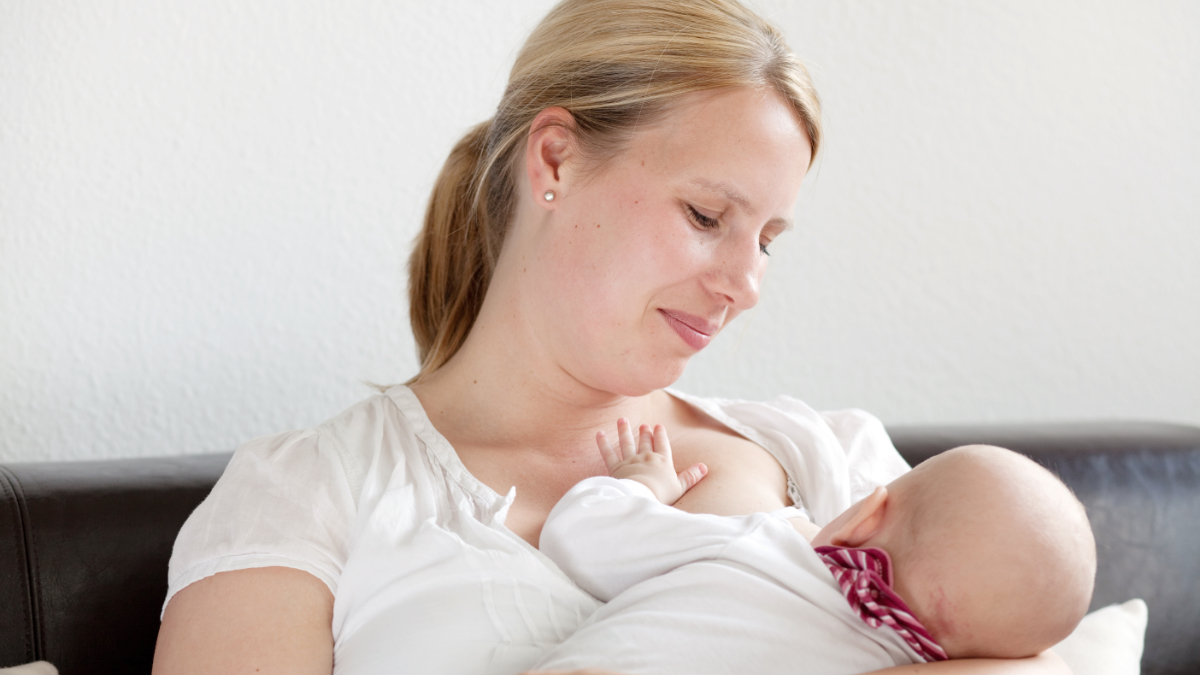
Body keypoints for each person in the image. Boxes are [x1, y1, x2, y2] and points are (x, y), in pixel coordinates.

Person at [152, 1, 1076, 674]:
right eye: (707, 212)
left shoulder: (836, 465)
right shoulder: (308, 498)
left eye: (767, 239)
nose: (746, 285)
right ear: (554, 158)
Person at [528, 421, 1097, 674]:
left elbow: (580, 538)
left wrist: (643, 484)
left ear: (865, 513)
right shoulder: (903, 662)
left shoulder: (766, 545)